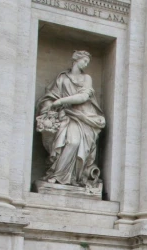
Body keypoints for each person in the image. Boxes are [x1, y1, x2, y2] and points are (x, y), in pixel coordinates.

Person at [36, 50, 106, 188]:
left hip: (84, 117)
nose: (86, 64)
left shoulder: (87, 78)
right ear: (76, 59)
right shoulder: (62, 78)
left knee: (74, 143)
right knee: (65, 142)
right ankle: (57, 175)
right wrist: (50, 105)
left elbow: (83, 97)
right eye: (84, 61)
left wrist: (60, 101)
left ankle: (71, 177)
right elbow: (50, 96)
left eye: (88, 62)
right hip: (66, 116)